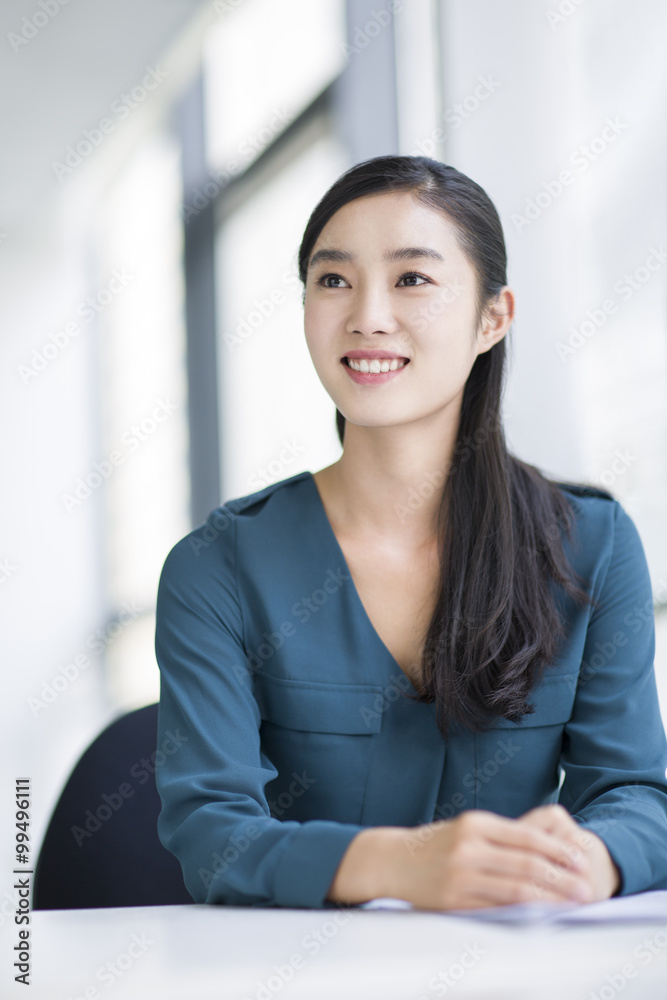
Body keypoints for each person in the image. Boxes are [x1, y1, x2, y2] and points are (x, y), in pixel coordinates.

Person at [154, 155, 667, 911]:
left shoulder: (591, 543)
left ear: (491, 318)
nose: (366, 315)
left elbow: (637, 796)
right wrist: (403, 866)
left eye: (411, 279)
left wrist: (586, 861)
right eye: (333, 280)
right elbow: (211, 834)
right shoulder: (217, 567)